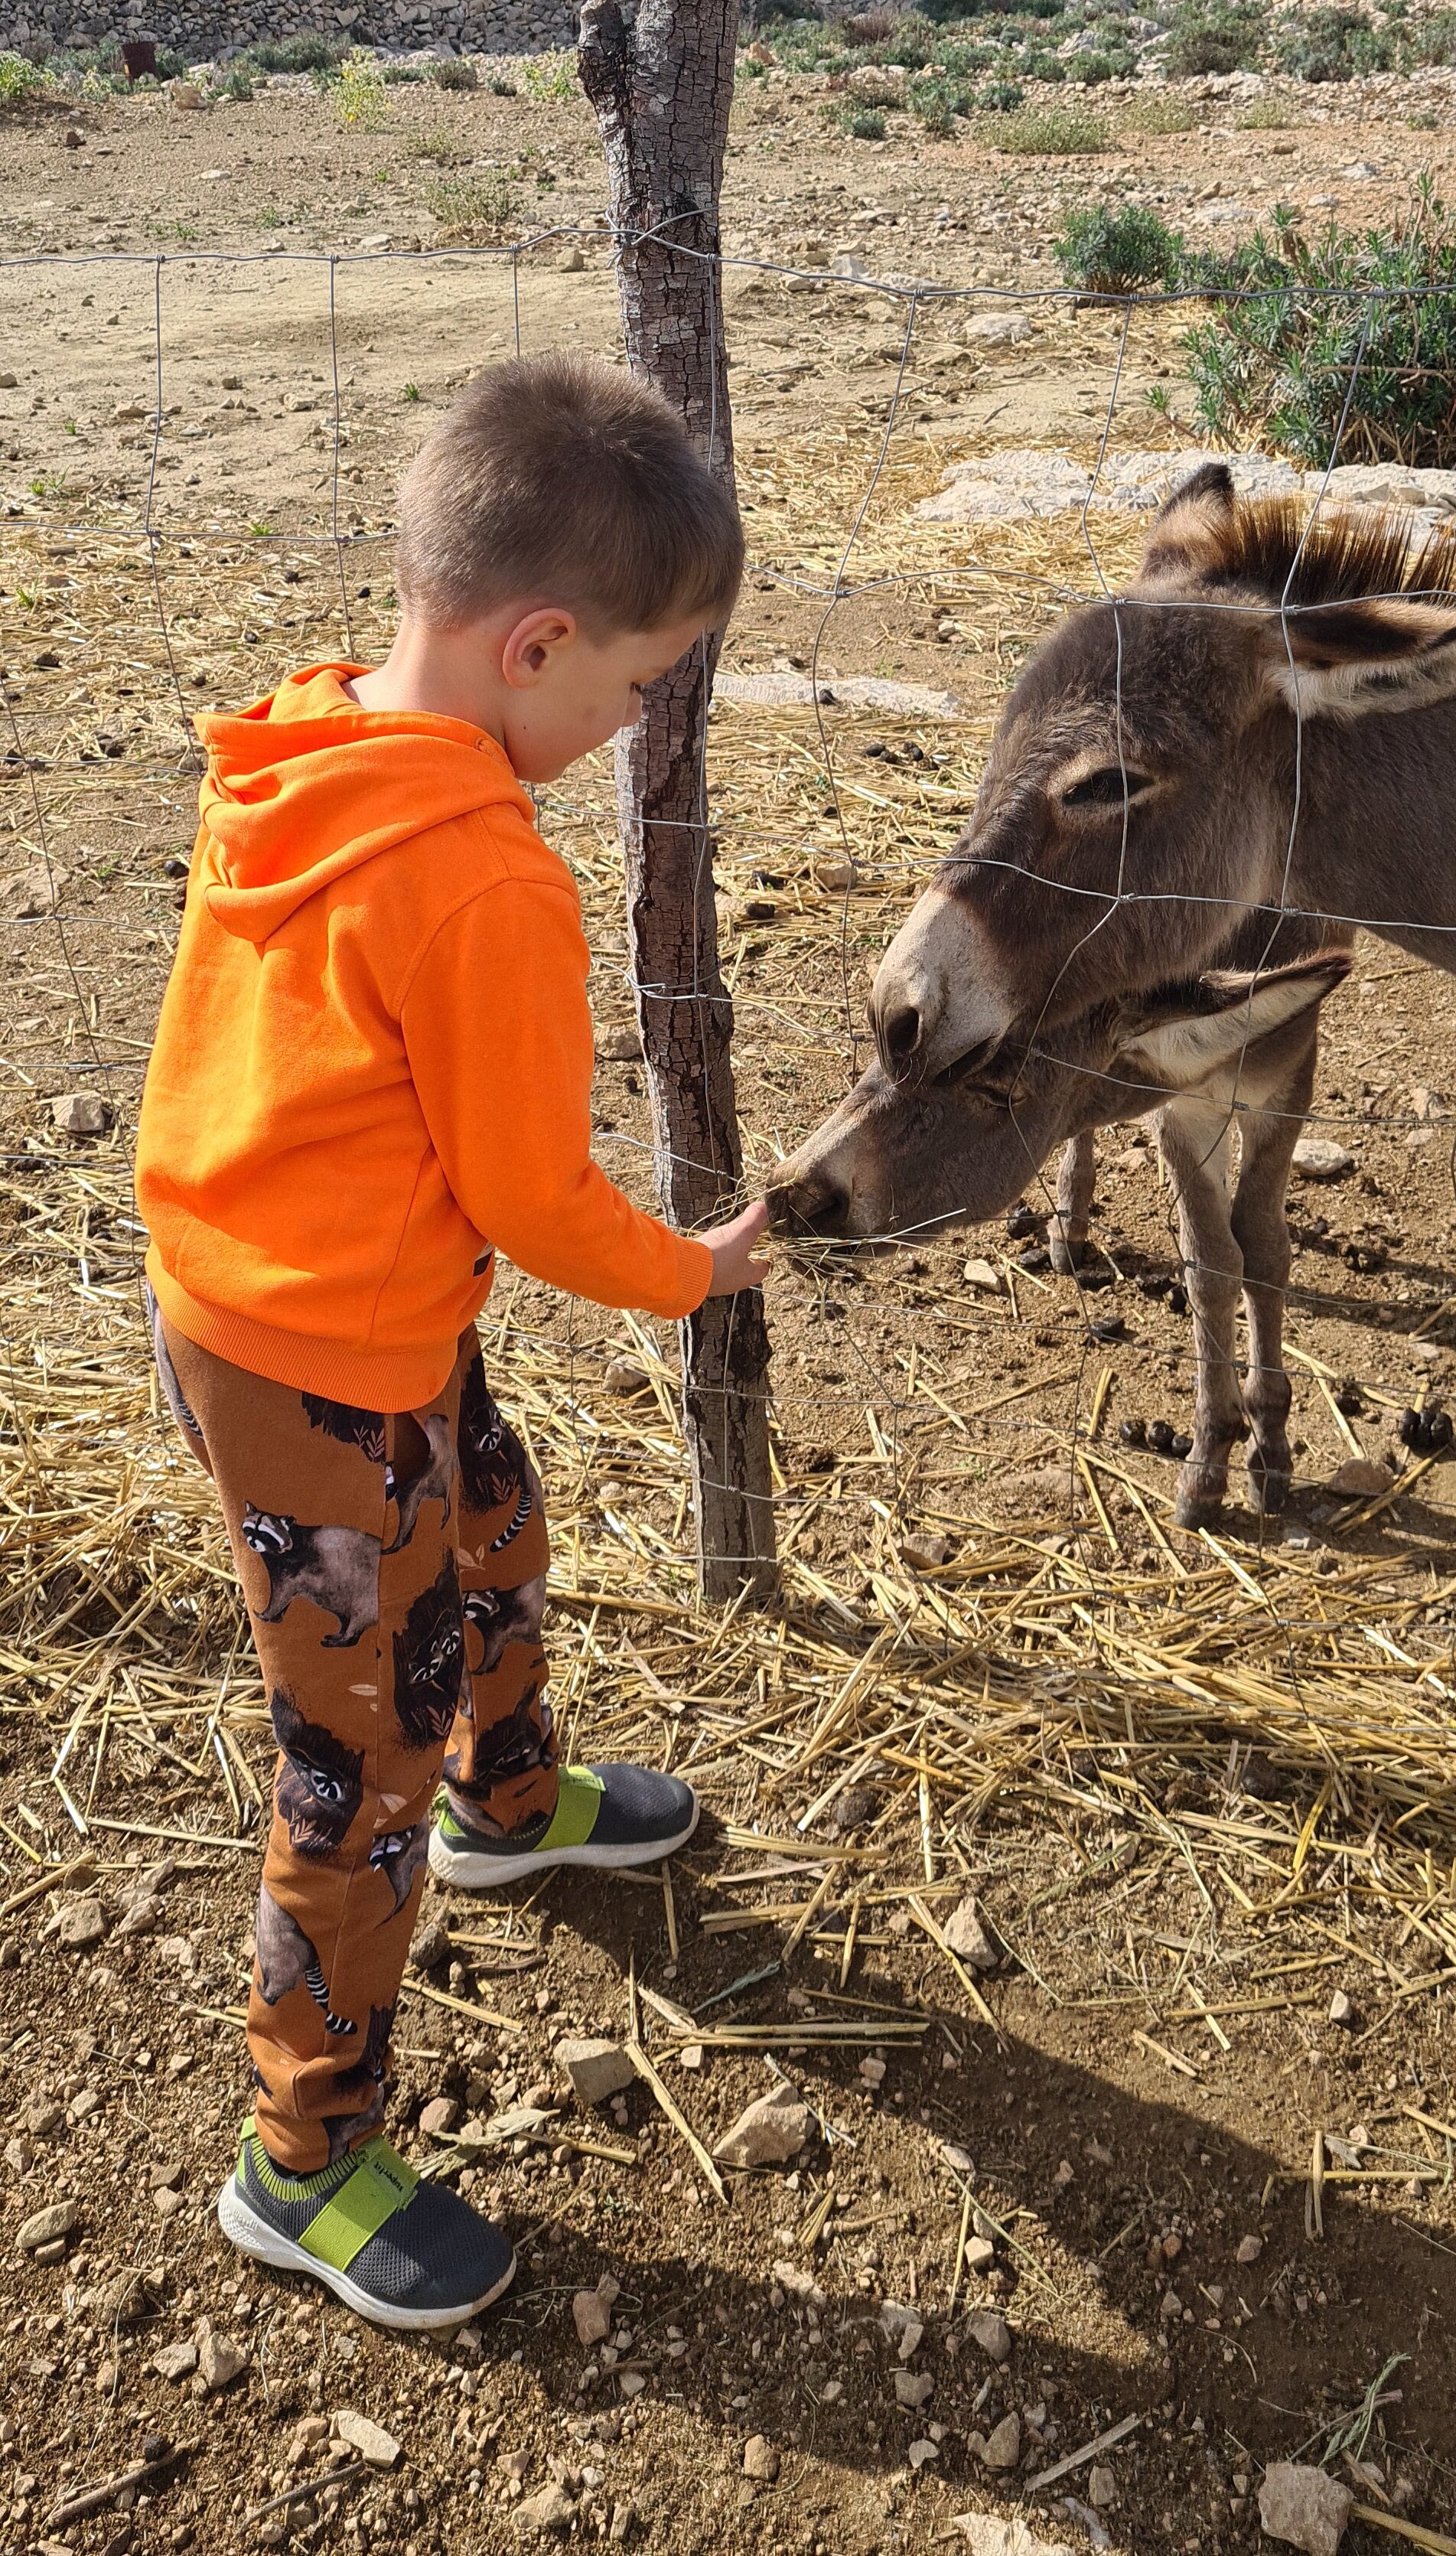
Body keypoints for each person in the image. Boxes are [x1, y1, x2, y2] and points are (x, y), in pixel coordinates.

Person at [135, 351, 767, 2333]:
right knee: (352, 1749)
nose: (636, 717)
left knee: (489, 1516)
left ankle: (513, 1805)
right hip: (312, 1353)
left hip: (313, 1296)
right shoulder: (484, 874)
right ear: (536, 643)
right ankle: (300, 2152)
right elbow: (532, 1200)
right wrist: (695, 1269)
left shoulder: (316, 739)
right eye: (638, 681)